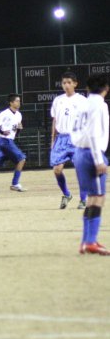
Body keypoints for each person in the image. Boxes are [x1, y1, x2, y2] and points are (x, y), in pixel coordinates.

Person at [71, 74, 109, 255]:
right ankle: (90, 241)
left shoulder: (82, 104)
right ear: (106, 88)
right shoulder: (99, 105)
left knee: (93, 197)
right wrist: (98, 159)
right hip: (91, 153)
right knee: (98, 197)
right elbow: (94, 134)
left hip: (79, 152)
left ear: (87, 88)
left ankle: (86, 242)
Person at [50, 72, 88, 209]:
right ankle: (67, 194)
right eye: (64, 83)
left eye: (69, 82)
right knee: (57, 170)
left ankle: (83, 199)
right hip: (61, 138)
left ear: (75, 84)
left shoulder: (82, 100)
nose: (66, 85)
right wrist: (52, 139)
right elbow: (55, 120)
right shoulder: (58, 100)